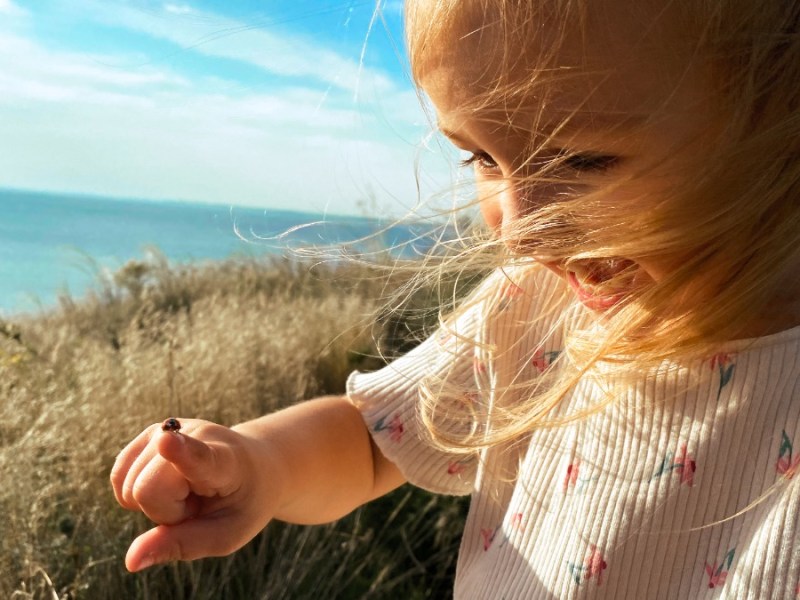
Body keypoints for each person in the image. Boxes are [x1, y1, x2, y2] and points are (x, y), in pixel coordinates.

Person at [110, 0, 800, 597]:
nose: (521, 229)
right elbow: (377, 443)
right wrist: (263, 465)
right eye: (480, 158)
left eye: (580, 161)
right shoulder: (535, 308)